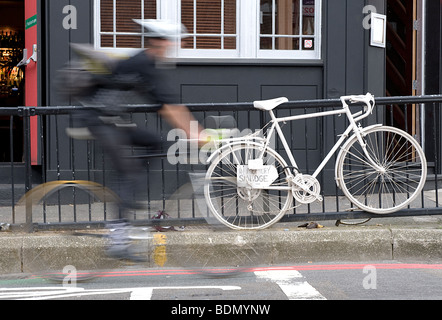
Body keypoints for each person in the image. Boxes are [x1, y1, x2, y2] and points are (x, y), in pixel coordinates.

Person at [75, 20, 207, 261]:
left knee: (154, 142)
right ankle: (118, 238)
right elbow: (170, 108)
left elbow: (167, 106)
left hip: (111, 120)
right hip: (97, 119)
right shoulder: (145, 63)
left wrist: (193, 131)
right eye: (173, 41)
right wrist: (196, 133)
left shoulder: (146, 63)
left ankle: (129, 195)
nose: (176, 46)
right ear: (160, 41)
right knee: (131, 173)